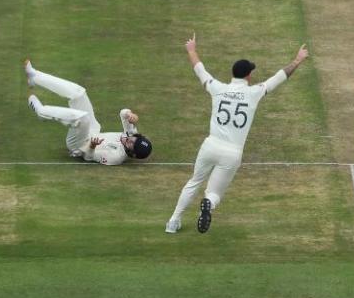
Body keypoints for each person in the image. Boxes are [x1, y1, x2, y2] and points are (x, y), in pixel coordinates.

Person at [165, 34, 309, 234]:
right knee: (214, 193)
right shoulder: (254, 92)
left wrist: (191, 49)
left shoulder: (218, 88)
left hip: (210, 145)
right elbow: (279, 77)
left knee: (194, 182)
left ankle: (173, 221)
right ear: (248, 76)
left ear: (232, 73)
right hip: (232, 152)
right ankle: (207, 204)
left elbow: (200, 69)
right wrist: (298, 60)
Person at [24, 59, 153, 165]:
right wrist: (131, 115)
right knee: (79, 93)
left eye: (131, 145)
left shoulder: (115, 158)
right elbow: (123, 113)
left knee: (83, 118)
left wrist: (92, 145)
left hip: (79, 144)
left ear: (133, 154)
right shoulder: (131, 135)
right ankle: (34, 76)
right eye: (134, 139)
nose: (130, 140)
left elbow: (89, 157)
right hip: (92, 130)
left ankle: (41, 111)